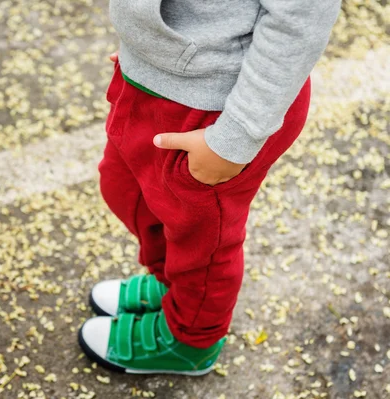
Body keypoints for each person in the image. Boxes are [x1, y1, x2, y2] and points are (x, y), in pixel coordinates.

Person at [78, 0, 341, 375]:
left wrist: (235, 138)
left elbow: (300, 19)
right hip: (156, 76)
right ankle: (171, 285)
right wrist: (145, 41)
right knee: (127, 190)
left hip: (217, 109)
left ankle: (190, 339)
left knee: (201, 241)